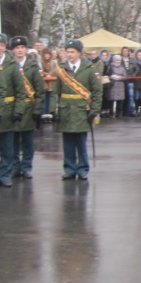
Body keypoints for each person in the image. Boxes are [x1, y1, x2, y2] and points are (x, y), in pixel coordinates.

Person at [51, 39, 102, 180]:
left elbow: (97, 91)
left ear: (80, 53)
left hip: (81, 110)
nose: (70, 54)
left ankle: (83, 168)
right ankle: (69, 168)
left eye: (72, 52)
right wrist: (54, 110)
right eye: (67, 52)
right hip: (66, 109)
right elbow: (56, 92)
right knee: (67, 142)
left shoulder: (89, 69)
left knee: (80, 142)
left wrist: (95, 110)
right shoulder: (61, 69)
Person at [0, 33, 27, 187]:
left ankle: (5, 174)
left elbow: (20, 90)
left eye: (2, 45)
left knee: (7, 146)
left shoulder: (12, 65)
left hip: (8, 110)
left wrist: (19, 110)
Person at [9, 35, 43, 179]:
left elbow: (39, 91)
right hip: (13, 107)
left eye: (22, 47)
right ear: (13, 50)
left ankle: (27, 166)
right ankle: (15, 166)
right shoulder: (9, 65)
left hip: (29, 107)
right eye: (17, 48)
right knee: (13, 141)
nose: (20, 50)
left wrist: (37, 110)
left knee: (28, 141)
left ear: (27, 49)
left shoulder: (33, 67)